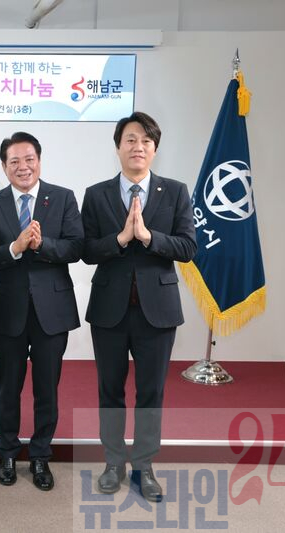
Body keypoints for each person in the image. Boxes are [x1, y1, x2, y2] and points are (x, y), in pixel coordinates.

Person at [80, 112, 196, 502]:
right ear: (118, 147)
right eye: (130, 139)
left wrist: (148, 237)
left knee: (151, 392)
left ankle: (144, 467)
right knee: (109, 390)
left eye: (146, 140)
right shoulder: (96, 194)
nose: (138, 147)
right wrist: (120, 238)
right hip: (109, 311)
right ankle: (113, 462)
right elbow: (86, 250)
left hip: (157, 311)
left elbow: (188, 247)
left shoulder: (175, 191)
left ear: (155, 149)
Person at [0, 132, 83, 491]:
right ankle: (7, 453)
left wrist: (41, 245)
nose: (23, 167)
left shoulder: (63, 197)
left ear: (39, 161)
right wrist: (15, 246)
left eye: (29, 159)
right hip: (9, 309)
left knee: (47, 389)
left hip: (51, 311)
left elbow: (77, 247)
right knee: (7, 388)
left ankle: (40, 455)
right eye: (14, 161)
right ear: (4, 166)